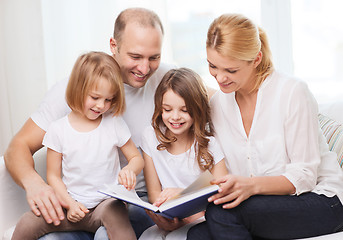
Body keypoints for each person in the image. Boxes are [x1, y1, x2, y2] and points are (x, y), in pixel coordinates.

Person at [4, 7, 171, 240]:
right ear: (114, 45)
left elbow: (205, 95)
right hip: (74, 201)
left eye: (154, 57)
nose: (145, 68)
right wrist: (35, 184)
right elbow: (18, 147)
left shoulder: (165, 80)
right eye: (135, 56)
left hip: (130, 199)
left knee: (107, 231)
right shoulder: (71, 92)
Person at [187, 13, 343, 240]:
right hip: (264, 205)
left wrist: (250, 186)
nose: (220, 78)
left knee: (222, 215)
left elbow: (305, 176)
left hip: (322, 200)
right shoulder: (218, 105)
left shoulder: (292, 92)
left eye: (231, 70)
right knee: (197, 235)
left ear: (256, 59)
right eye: (213, 66)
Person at [12, 51, 143, 240]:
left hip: (105, 204)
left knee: (117, 214)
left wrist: (130, 169)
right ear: (78, 89)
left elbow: (136, 158)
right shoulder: (58, 129)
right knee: (28, 222)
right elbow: (53, 177)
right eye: (95, 97)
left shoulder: (113, 123)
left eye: (108, 100)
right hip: (70, 205)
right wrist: (69, 204)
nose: (101, 106)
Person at [139, 68, 228, 240]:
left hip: (202, 220)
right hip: (169, 218)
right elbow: (154, 194)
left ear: (197, 109)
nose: (175, 117)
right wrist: (165, 216)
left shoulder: (211, 145)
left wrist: (181, 195)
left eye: (184, 110)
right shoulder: (150, 136)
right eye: (167, 109)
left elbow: (222, 194)